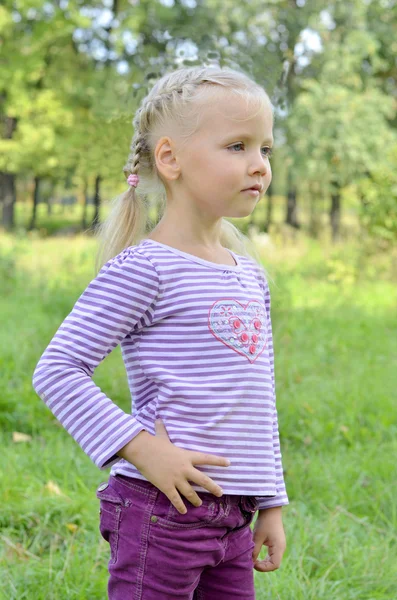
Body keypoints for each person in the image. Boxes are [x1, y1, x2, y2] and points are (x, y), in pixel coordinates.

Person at [32, 65, 289, 600]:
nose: (259, 166)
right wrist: (141, 449)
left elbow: (257, 400)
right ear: (170, 159)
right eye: (238, 145)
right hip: (161, 512)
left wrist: (270, 502)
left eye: (265, 149)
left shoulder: (248, 274)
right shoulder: (145, 268)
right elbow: (57, 370)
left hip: (234, 518)